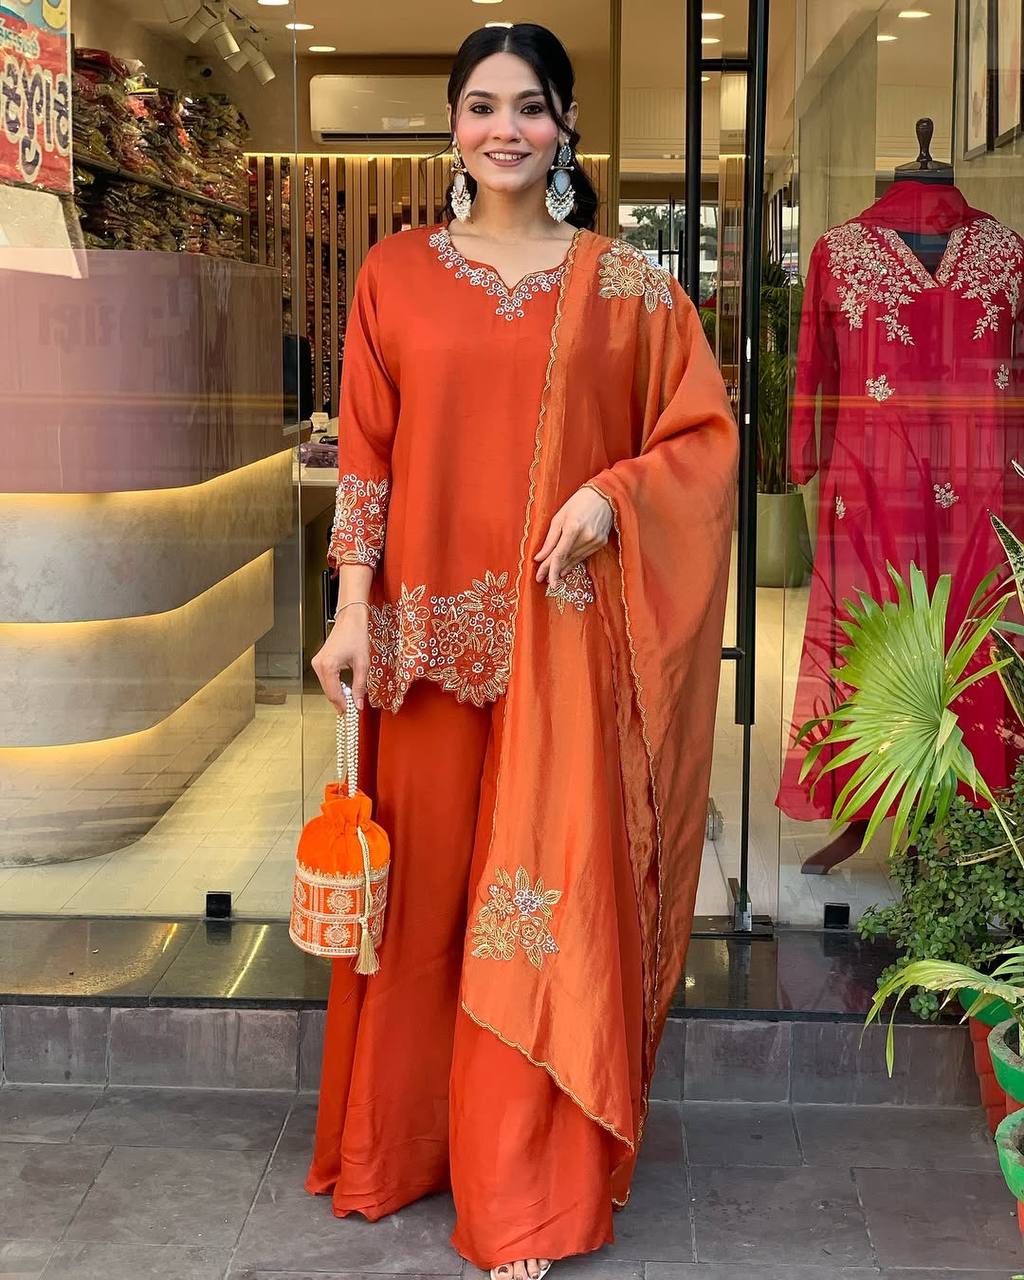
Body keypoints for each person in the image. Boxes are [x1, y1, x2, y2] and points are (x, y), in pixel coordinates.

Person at [307, 22, 737, 1280]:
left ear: (564, 127)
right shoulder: (393, 273)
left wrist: (611, 494)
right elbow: (367, 456)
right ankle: (402, 1148)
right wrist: (350, 608)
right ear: (452, 124)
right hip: (425, 648)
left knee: (536, 914)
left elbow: (702, 442)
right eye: (484, 105)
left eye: (531, 106)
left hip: (565, 649)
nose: (506, 128)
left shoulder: (628, 287)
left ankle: (525, 1194)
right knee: (428, 912)